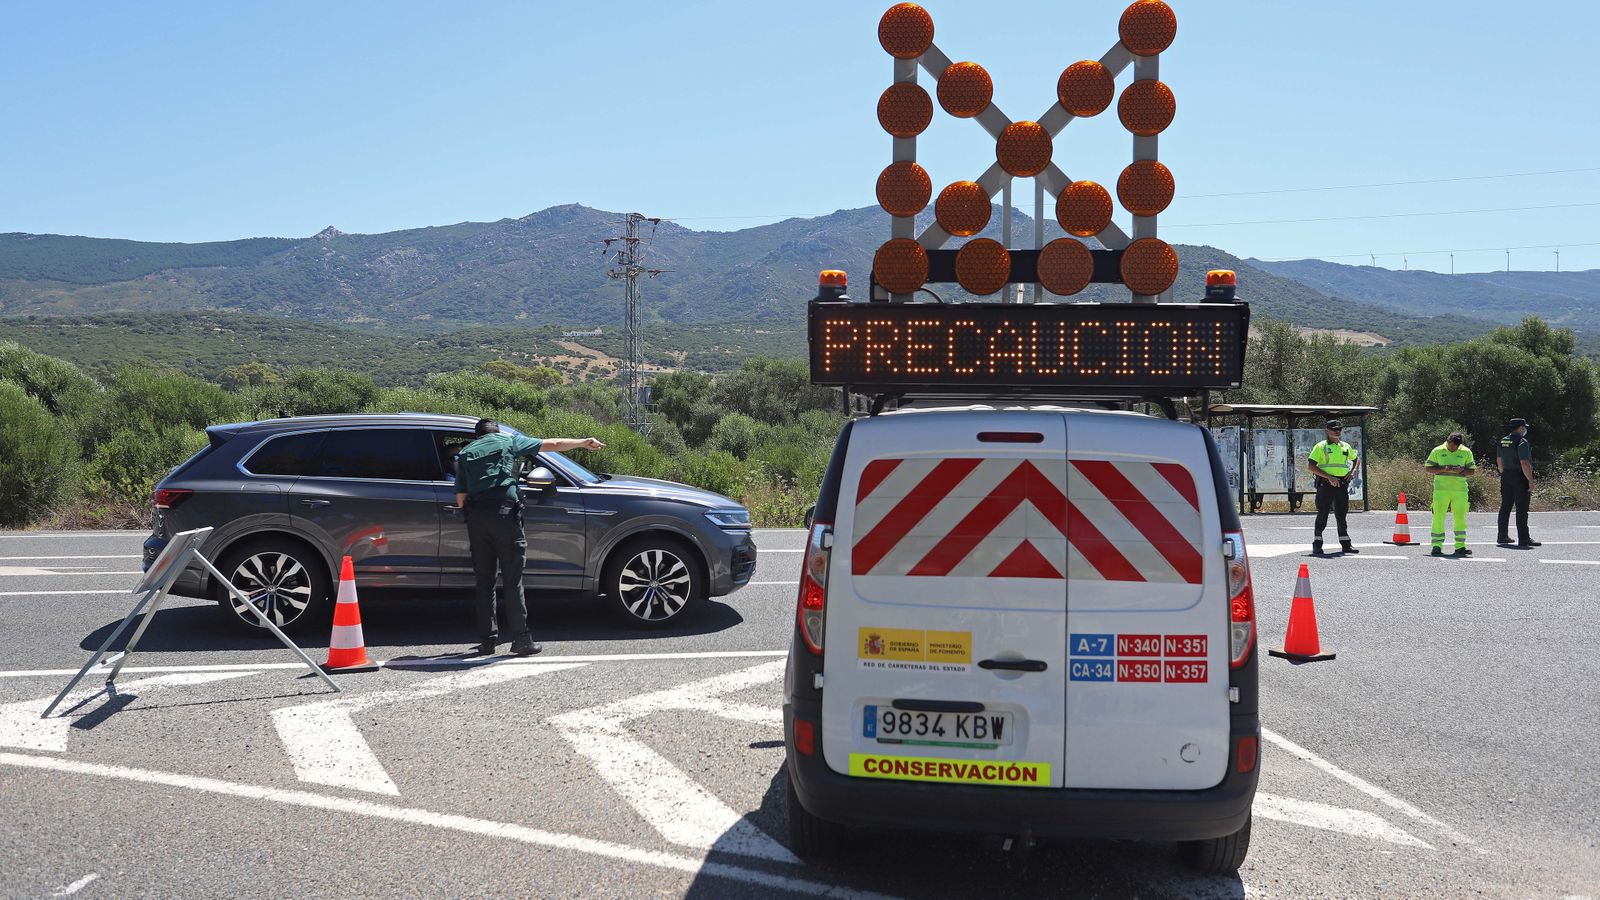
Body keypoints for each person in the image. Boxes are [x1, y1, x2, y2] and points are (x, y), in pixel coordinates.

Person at [454, 419, 605, 656]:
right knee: (512, 580)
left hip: (477, 520)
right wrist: (584, 442)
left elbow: (461, 499)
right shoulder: (509, 442)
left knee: (485, 582)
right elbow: (553, 444)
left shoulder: (466, 453)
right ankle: (521, 640)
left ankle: (487, 642)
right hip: (505, 517)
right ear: (497, 431)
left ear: (477, 436)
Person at [1307, 419, 1359, 555]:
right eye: (1334, 429)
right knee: (1323, 513)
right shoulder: (1321, 446)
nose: (1337, 431)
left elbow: (1356, 459)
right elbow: (1311, 466)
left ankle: (1346, 544)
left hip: (1341, 484)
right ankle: (1317, 544)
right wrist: (1329, 477)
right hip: (1326, 484)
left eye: (1339, 429)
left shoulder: (1345, 446)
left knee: (1341, 514)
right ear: (1327, 431)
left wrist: (1353, 471)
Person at [1424, 431, 1477, 557]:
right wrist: (1443, 469)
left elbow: (1472, 471)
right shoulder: (1437, 450)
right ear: (1448, 441)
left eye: (1456, 448)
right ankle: (1436, 546)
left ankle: (1460, 547)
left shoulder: (1466, 452)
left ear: (1459, 445)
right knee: (1438, 517)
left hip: (1460, 491)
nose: (1453, 449)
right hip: (1441, 491)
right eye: (1451, 446)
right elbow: (1428, 467)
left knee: (1460, 519)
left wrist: (1462, 470)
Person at [1496, 417, 1541, 548]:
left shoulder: (1503, 440)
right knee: (1522, 509)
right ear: (1521, 428)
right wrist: (1530, 480)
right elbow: (1524, 462)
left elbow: (1499, 460)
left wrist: (1503, 473)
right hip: (1520, 476)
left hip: (1506, 475)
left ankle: (1502, 536)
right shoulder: (1522, 441)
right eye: (1524, 427)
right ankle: (1524, 539)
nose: (1525, 429)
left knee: (1505, 506)